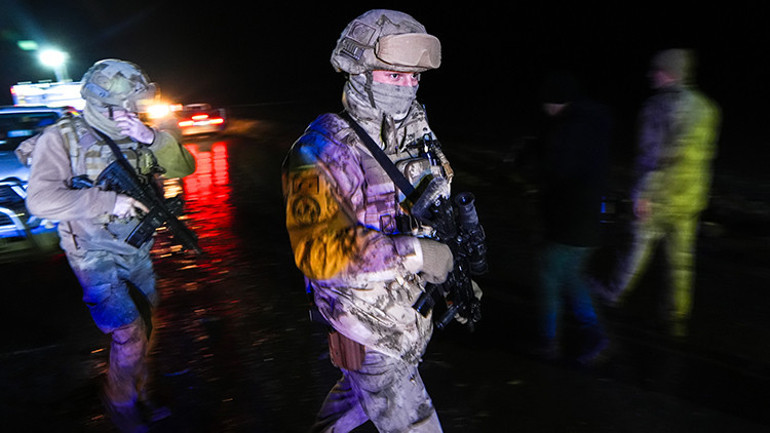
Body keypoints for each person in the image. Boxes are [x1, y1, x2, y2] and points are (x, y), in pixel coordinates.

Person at [282, 9, 460, 433]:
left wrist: (452, 271)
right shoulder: (323, 149)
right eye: (393, 75)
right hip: (364, 324)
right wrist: (416, 254)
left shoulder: (414, 134)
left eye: (413, 77)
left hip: (406, 315)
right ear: (359, 73)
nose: (407, 87)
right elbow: (318, 252)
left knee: (351, 405)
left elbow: (432, 210)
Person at [22, 59, 196, 432]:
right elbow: (39, 200)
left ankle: (140, 390)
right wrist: (106, 201)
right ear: (101, 104)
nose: (134, 111)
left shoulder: (137, 130)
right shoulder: (63, 138)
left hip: (136, 248)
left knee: (148, 325)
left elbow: (183, 168)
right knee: (128, 333)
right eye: (126, 105)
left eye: (137, 104)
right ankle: (120, 403)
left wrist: (152, 139)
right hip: (93, 254)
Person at [595, 49, 721, 338]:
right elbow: (702, 157)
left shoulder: (658, 107)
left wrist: (643, 194)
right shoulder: (707, 108)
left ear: (670, 73)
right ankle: (676, 317)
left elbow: (655, 157)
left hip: (659, 198)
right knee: (681, 261)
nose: (652, 75)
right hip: (690, 199)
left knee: (636, 248)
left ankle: (613, 294)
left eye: (657, 70)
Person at [534, 71, 612, 364]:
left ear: (556, 101)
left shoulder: (570, 129)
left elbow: (559, 172)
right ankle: (590, 333)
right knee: (570, 275)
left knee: (550, 274)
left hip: (571, 219)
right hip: (585, 217)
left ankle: (549, 339)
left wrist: (539, 166)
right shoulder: (590, 123)